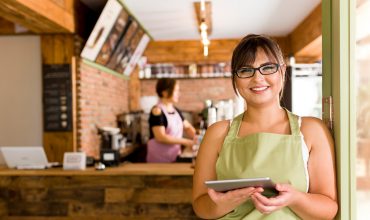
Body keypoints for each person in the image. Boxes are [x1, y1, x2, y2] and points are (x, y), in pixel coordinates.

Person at [192, 34, 338, 219]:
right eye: (246, 70)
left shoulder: (311, 130)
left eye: (267, 68)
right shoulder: (217, 133)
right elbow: (200, 205)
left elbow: (328, 209)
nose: (257, 78)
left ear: (282, 71)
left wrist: (295, 199)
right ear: (235, 78)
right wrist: (221, 205)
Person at [146, 78, 196, 163]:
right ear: (164, 92)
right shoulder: (157, 111)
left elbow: (188, 128)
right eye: (176, 91)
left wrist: (198, 139)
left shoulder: (176, 111)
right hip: (158, 161)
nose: (178, 94)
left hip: (174, 157)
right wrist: (187, 142)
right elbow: (160, 137)